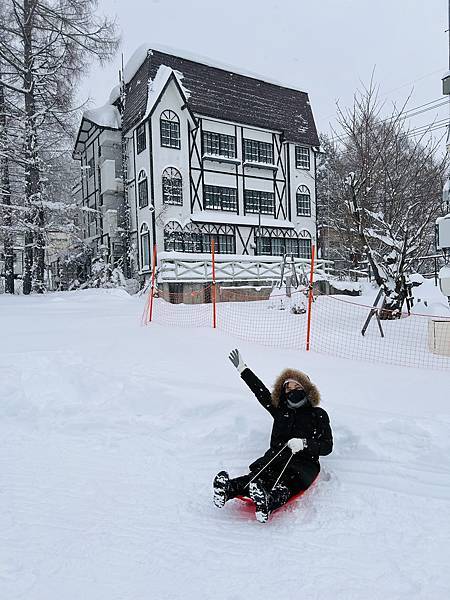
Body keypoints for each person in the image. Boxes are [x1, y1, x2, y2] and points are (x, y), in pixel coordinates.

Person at [213, 349, 333, 523]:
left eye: (296, 387)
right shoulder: (280, 410)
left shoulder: (318, 414)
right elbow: (260, 391)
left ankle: (268, 503)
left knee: (286, 482)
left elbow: (327, 446)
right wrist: (243, 369)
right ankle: (228, 489)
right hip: (276, 458)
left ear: (306, 390)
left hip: (303, 464)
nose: (291, 390)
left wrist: (305, 444)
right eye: (288, 387)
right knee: (258, 478)